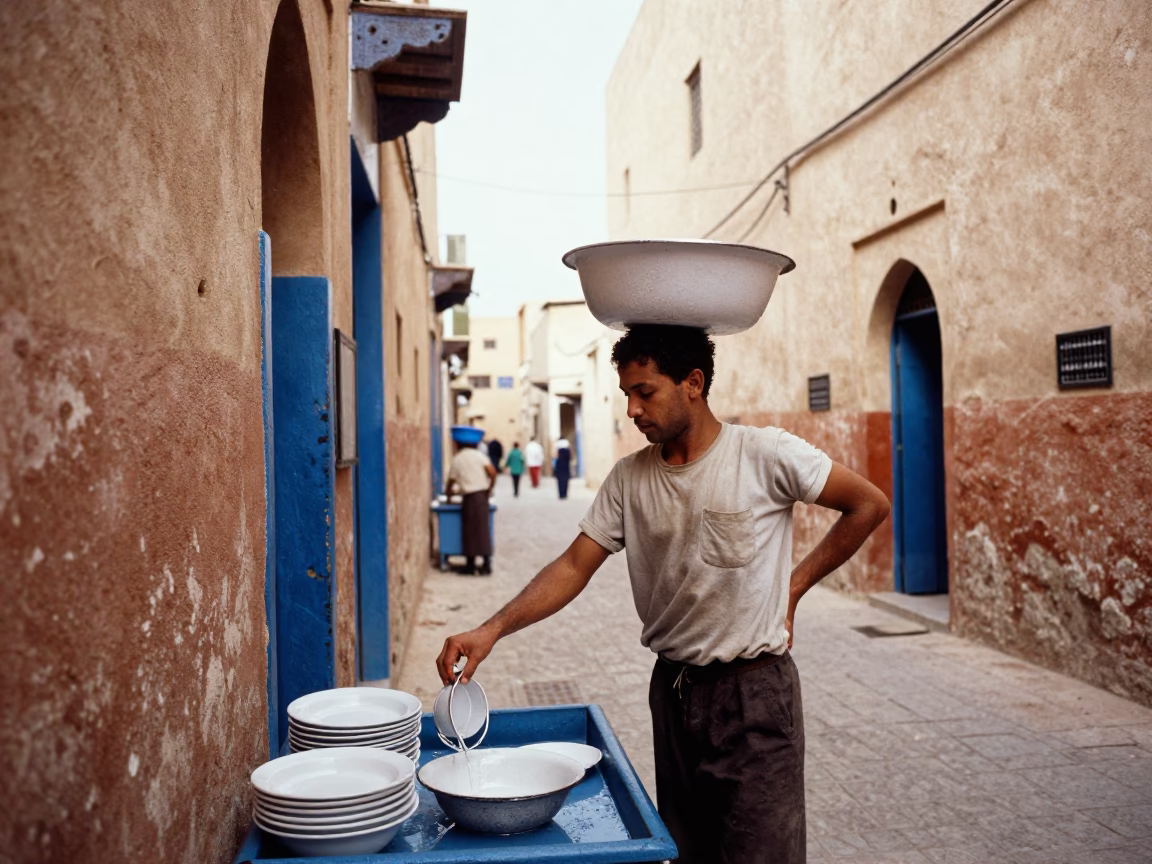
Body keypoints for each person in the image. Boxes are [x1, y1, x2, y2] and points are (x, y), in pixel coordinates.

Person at [438, 324, 890, 863]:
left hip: (753, 698)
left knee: (761, 854)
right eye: (626, 393)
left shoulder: (763, 453)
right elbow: (572, 566)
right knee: (684, 850)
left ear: (693, 383)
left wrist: (792, 588)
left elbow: (868, 504)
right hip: (673, 693)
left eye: (644, 392)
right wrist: (490, 630)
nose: (631, 409)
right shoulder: (630, 479)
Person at [445, 437, 497, 576]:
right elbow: (492, 472)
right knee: (483, 529)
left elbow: (451, 481)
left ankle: (470, 565)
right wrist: (489, 488)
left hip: (468, 497)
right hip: (481, 496)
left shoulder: (457, 459)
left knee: (469, 531)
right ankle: (486, 564)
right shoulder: (480, 456)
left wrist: (448, 496)